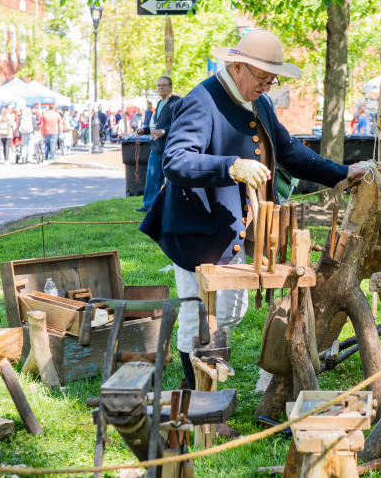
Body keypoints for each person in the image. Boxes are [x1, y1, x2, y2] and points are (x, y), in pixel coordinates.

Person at [140, 30, 367, 389]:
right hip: (196, 230)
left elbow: (290, 151)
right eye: (261, 78)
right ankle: (198, 396)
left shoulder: (260, 103)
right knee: (198, 315)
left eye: (270, 79)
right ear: (238, 66)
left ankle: (205, 385)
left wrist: (341, 173)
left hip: (236, 227)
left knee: (230, 311)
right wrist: (230, 166)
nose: (266, 86)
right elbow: (176, 160)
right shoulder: (201, 101)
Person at [136, 76, 180, 212]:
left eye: (164, 85)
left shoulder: (176, 102)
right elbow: (156, 125)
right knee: (152, 177)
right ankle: (149, 205)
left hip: (170, 147)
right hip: (156, 147)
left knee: (172, 179)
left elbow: (179, 124)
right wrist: (145, 130)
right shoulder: (159, 103)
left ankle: (172, 205)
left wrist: (164, 131)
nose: (160, 88)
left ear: (170, 87)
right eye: (159, 85)